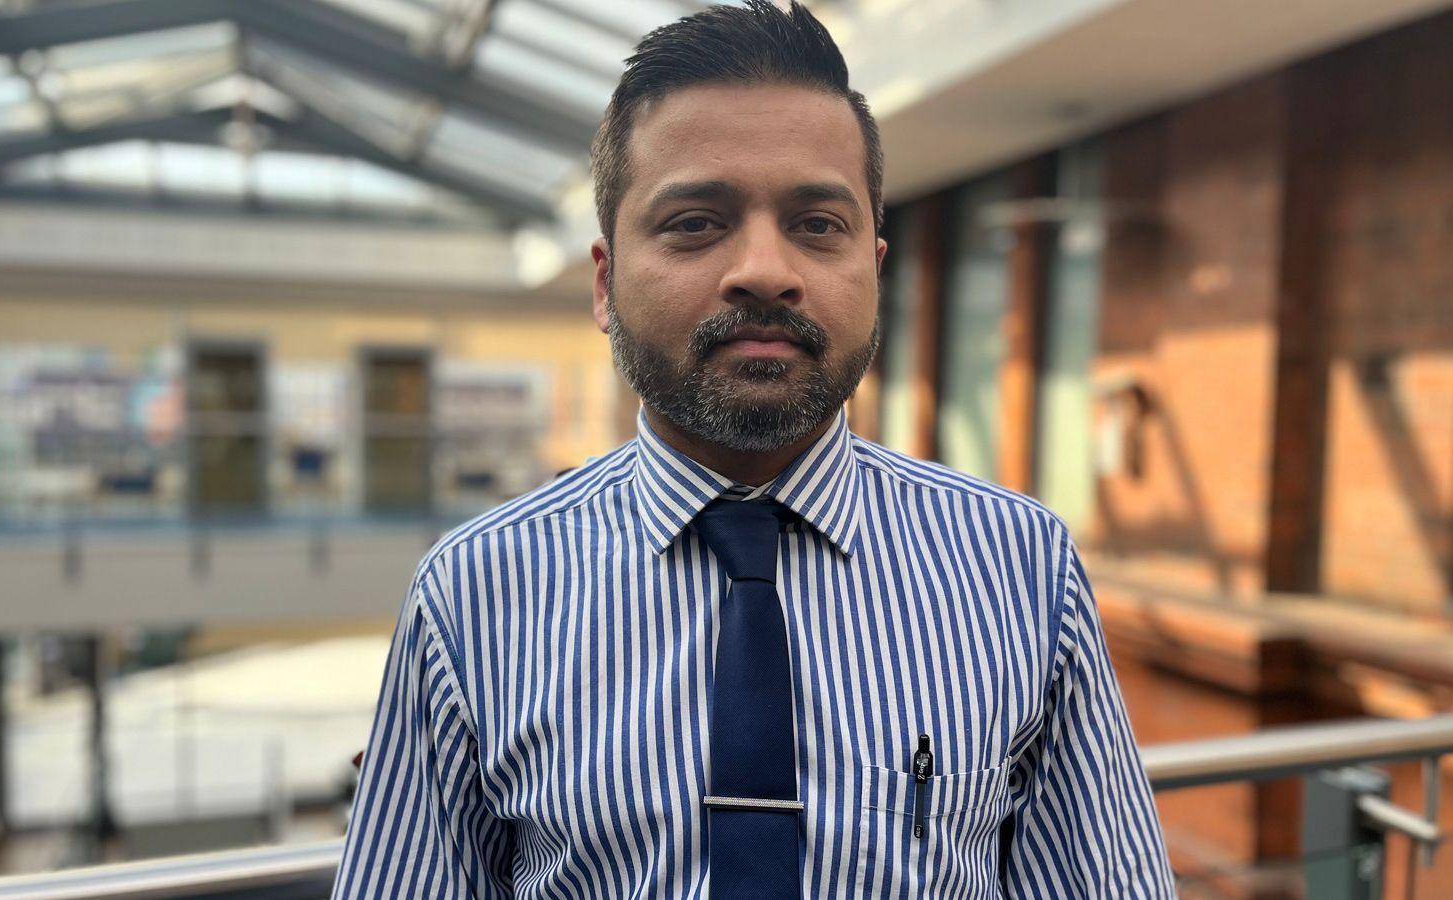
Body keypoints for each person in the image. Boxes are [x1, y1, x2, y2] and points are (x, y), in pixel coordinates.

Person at [332, 2, 1173, 897]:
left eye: (817, 224)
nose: (766, 270)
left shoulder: (1018, 567)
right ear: (606, 283)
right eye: (696, 222)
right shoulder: (473, 596)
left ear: (873, 268)